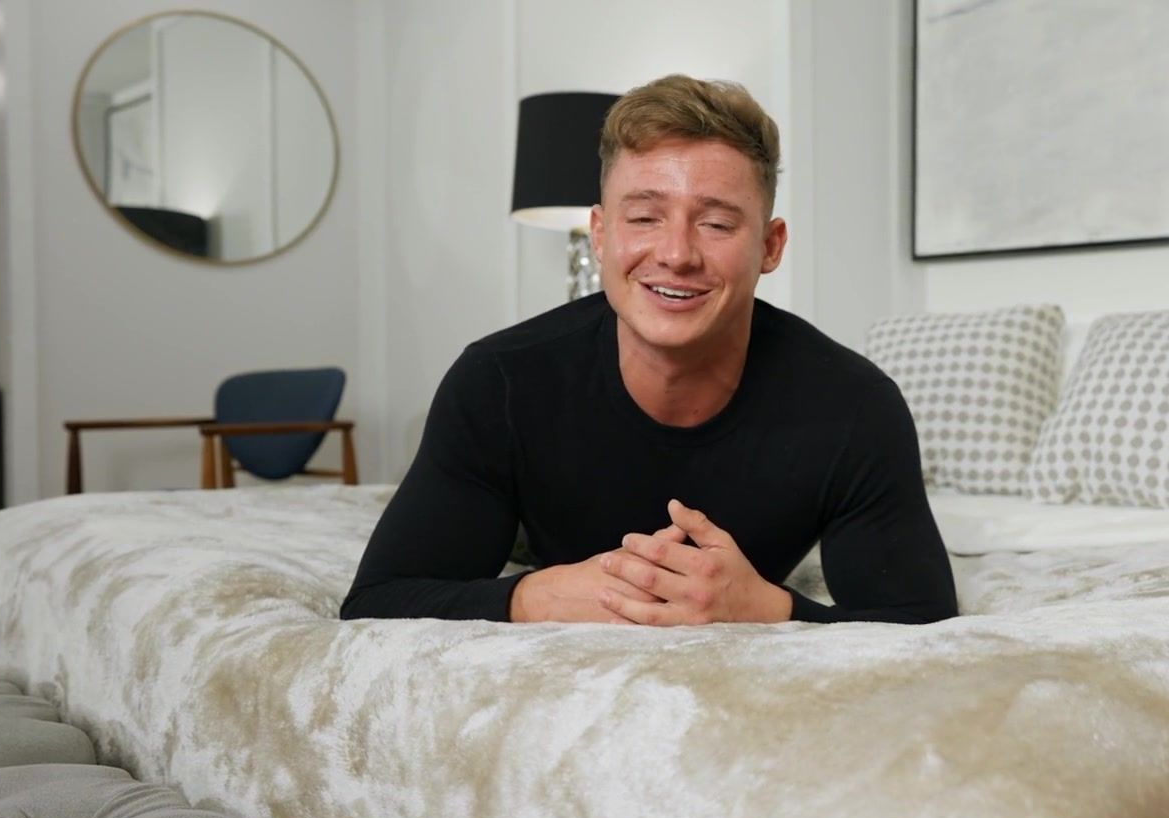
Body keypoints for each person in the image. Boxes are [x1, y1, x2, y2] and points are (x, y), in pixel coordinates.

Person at [342, 74, 957, 626]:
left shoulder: (855, 406)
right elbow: (381, 599)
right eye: (644, 218)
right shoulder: (500, 380)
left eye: (716, 224)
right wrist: (537, 596)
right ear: (600, 234)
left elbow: (919, 623)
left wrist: (768, 607)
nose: (677, 254)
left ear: (770, 247)